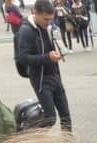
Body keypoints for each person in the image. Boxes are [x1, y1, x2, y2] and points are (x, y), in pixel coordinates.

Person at [17, 0, 73, 131]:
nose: (48, 22)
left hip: (55, 76)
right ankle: (29, 136)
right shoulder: (26, 31)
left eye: (51, 19)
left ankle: (68, 142)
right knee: (50, 118)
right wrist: (47, 57)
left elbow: (52, 47)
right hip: (41, 80)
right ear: (35, 13)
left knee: (66, 116)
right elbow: (23, 58)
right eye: (45, 19)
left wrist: (59, 52)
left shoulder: (49, 28)